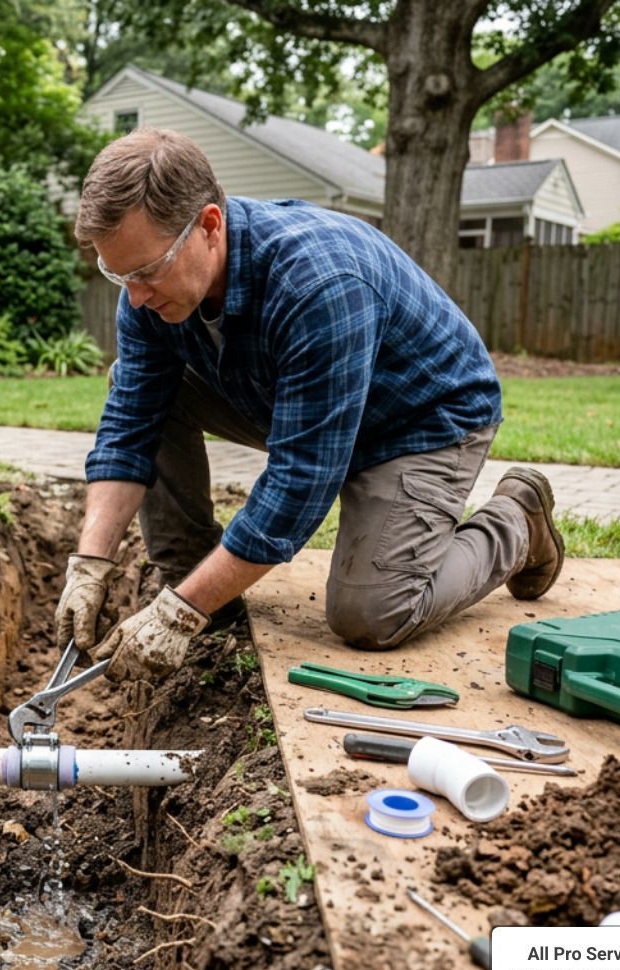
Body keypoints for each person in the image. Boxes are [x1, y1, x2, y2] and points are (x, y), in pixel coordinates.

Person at [55, 127, 565, 684]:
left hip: (420, 420)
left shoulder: (318, 283)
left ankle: (517, 520)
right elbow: (131, 421)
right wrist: (90, 565)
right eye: (118, 274)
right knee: (139, 387)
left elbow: (299, 482)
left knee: (372, 615)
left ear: (209, 226)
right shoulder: (150, 296)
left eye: (147, 271)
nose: (134, 296)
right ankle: (193, 578)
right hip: (298, 402)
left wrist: (181, 615)